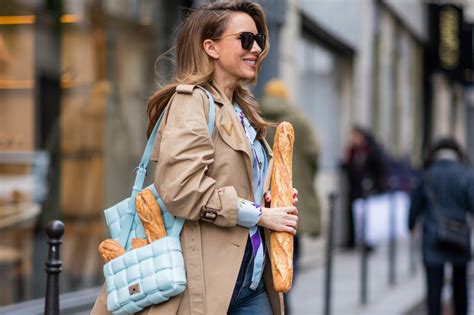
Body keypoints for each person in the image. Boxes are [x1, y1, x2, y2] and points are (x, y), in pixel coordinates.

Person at [91, 2, 298, 314]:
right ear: (210, 47)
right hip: (206, 279)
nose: (255, 48)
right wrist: (259, 214)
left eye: (259, 40)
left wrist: (269, 201)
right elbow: (181, 189)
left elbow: (238, 185)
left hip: (253, 277)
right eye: (244, 39)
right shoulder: (192, 102)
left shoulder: (244, 112)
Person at [259, 79, 321, 314]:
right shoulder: (301, 123)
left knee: (269, 252)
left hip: (265, 200)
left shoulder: (256, 119)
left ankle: (278, 296)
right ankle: (284, 298)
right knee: (292, 249)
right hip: (296, 198)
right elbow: (314, 156)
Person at [409, 138, 474, 315]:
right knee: (460, 283)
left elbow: (415, 204)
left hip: (432, 235)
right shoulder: (466, 174)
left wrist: (411, 225)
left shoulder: (427, 174)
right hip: (459, 235)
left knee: (433, 285)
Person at [341, 126, 388, 249]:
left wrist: (376, 185)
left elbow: (379, 169)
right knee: (352, 215)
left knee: (366, 217)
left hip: (368, 189)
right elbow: (349, 167)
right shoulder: (352, 151)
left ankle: (367, 242)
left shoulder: (371, 150)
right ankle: (352, 241)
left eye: (355, 136)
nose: (352, 139)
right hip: (354, 188)